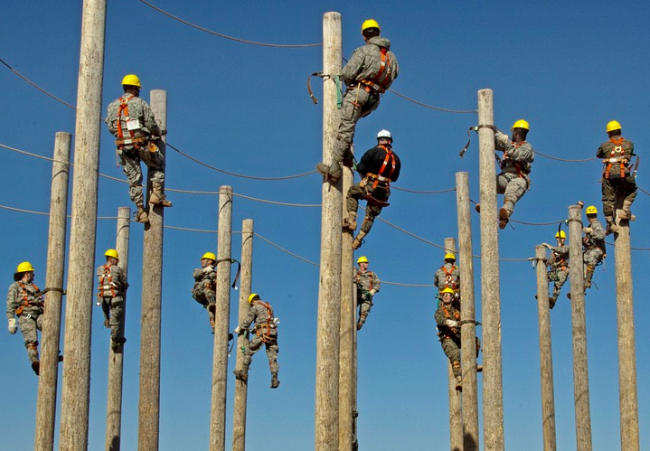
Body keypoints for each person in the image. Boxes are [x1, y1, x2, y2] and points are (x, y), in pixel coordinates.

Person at [316, 19, 399, 183]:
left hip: (358, 94)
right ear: (379, 33)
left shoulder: (363, 51)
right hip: (374, 100)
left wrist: (348, 81)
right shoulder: (391, 57)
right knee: (349, 123)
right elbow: (393, 76)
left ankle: (334, 167)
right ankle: (345, 153)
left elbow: (347, 73)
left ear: (363, 36)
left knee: (345, 127)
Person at [105, 74, 172, 224]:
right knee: (158, 163)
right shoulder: (139, 103)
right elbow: (150, 123)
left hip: (123, 146)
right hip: (141, 143)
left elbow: (110, 127)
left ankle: (141, 211)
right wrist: (157, 133)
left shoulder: (112, 106)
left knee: (134, 180)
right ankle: (156, 194)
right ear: (135, 88)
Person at [343, 129, 401, 250]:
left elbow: (361, 167)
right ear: (390, 141)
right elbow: (394, 178)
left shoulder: (373, 152)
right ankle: (358, 240)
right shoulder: (396, 159)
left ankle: (351, 220)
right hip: (384, 192)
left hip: (370, 185)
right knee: (370, 216)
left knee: (352, 192)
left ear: (379, 140)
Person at [477, 120, 535, 229]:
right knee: (488, 182)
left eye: (513, 132)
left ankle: (505, 214)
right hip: (505, 177)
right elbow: (494, 143)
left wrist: (505, 141)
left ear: (516, 133)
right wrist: (487, 132)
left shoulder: (527, 148)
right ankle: (486, 206)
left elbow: (517, 155)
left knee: (510, 195)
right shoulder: (510, 144)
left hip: (518, 179)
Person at [434, 288, 482, 390]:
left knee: (475, 341)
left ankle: (473, 363)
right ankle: (460, 379)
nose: (446, 296)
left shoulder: (457, 310)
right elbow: (440, 320)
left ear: (452, 298)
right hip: (447, 337)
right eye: (444, 295)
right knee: (454, 354)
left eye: (448, 294)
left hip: (457, 335)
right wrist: (449, 322)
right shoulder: (439, 311)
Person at [597, 120, 637, 235]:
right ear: (620, 131)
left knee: (607, 198)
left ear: (609, 133)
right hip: (623, 173)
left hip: (609, 174)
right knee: (632, 189)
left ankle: (610, 223)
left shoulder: (605, 145)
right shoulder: (629, 143)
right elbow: (629, 154)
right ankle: (625, 208)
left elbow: (599, 154)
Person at [233, 293, 280, 388]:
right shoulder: (269, 307)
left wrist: (240, 328)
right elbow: (266, 320)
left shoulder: (256, 307)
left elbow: (248, 320)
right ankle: (275, 379)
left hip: (263, 333)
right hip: (273, 333)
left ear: (253, 301)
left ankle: (244, 373)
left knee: (248, 351)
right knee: (272, 358)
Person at [7, 262, 44, 375]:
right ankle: (35, 362)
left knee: (50, 326)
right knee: (31, 340)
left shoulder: (34, 288)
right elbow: (10, 304)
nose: (33, 275)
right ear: (27, 273)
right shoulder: (15, 287)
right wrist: (11, 320)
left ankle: (51, 352)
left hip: (38, 314)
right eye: (32, 273)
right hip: (26, 316)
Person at [96, 249, 129, 352]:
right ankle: (115, 341)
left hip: (102, 297)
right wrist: (123, 288)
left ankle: (106, 320)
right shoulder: (117, 270)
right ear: (113, 259)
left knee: (107, 312)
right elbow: (123, 283)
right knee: (116, 321)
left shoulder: (99, 269)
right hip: (115, 297)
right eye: (116, 260)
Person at [191, 252, 218, 333]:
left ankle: (215, 327)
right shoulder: (198, 270)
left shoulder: (216, 273)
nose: (201, 261)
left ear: (210, 261)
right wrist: (206, 270)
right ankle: (212, 303)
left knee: (211, 308)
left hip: (208, 295)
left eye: (204, 259)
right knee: (206, 283)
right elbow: (196, 275)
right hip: (199, 292)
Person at [542, 231, 569, 309]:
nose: (561, 240)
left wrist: (549, 246)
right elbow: (550, 261)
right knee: (544, 278)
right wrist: (543, 261)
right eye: (559, 238)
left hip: (563, 270)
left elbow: (562, 250)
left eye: (563, 238)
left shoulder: (566, 248)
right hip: (555, 270)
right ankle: (544, 293)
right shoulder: (553, 252)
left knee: (557, 284)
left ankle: (552, 300)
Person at [582, 205, 606, 290]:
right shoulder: (589, 226)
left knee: (592, 255)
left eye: (593, 215)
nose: (592, 217)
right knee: (581, 260)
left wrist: (591, 232)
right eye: (591, 215)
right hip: (589, 249)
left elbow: (601, 235)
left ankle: (588, 280)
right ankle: (582, 286)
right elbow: (587, 241)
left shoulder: (596, 224)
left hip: (598, 249)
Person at [354, 256, 380, 330]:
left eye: (367, 263)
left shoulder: (371, 274)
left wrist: (374, 290)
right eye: (365, 263)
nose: (367, 264)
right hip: (357, 294)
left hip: (367, 296)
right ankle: (350, 321)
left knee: (364, 313)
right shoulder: (355, 272)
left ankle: (359, 325)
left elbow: (377, 283)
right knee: (351, 308)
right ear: (360, 264)